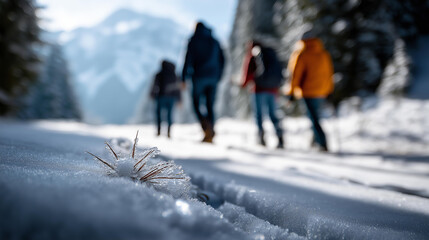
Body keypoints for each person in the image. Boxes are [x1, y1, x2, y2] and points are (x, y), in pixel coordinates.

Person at [286, 30, 334, 152]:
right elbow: (328, 73)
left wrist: (291, 92)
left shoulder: (302, 54)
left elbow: (295, 75)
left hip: (308, 91)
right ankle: (316, 141)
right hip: (322, 91)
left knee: (313, 118)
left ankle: (322, 142)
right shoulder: (323, 53)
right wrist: (329, 90)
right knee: (315, 116)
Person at [182, 21, 225, 143]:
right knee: (210, 105)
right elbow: (223, 60)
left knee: (196, 104)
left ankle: (206, 128)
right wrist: (219, 76)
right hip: (213, 78)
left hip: (199, 77)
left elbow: (188, 58)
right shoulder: (215, 41)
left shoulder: (194, 40)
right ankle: (210, 131)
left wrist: (183, 77)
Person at [242, 40, 284, 148]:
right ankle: (280, 136)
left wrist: (243, 84)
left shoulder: (253, 55)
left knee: (259, 115)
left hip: (259, 90)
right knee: (273, 114)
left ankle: (261, 138)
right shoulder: (270, 54)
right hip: (272, 90)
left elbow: (248, 74)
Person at [150, 60, 181, 138]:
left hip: (161, 97)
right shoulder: (174, 75)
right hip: (171, 98)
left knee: (158, 114)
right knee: (169, 115)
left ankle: (159, 130)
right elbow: (177, 88)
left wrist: (152, 94)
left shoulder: (159, 74)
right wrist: (179, 99)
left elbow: (155, 85)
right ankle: (169, 131)